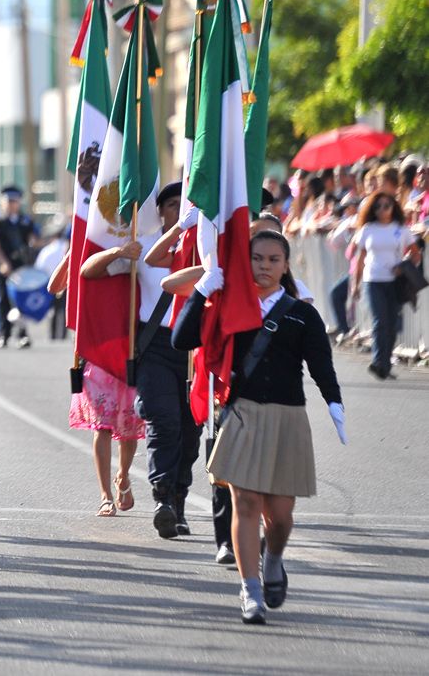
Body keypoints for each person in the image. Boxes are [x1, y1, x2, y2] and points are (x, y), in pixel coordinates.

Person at [172, 230, 346, 624]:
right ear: (244, 261)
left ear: (286, 266)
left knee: (280, 516)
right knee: (246, 503)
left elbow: (321, 365)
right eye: (256, 258)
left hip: (287, 417)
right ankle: (250, 590)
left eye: (273, 260)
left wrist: (334, 402)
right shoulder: (228, 306)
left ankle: (274, 558)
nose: (264, 266)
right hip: (242, 413)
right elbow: (183, 339)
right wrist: (201, 292)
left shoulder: (302, 313)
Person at [84, 183, 192, 534]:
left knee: (190, 431)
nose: (179, 210)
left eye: (185, 204)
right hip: (154, 345)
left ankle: (179, 499)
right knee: (163, 422)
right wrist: (118, 253)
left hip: (193, 345)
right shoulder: (144, 246)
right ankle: (162, 497)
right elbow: (89, 271)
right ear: (160, 211)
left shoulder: (204, 248)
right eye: (172, 204)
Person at [351, 191, 417, 380]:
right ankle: (378, 361)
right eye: (378, 206)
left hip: (394, 283)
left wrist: (404, 266)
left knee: (392, 324)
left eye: (386, 206)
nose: (382, 210)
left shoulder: (401, 229)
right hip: (373, 280)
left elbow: (416, 253)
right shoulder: (367, 229)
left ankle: (385, 364)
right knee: (380, 321)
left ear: (393, 207)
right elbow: (360, 258)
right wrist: (355, 285)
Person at [0, 186, 39, 348]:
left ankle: (23, 334)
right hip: (5, 268)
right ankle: (4, 333)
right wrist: (3, 263)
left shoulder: (26, 221)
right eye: (8, 201)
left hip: (22, 267)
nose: (11, 204)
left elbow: (35, 240)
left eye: (14, 201)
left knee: (22, 301)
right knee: (4, 301)